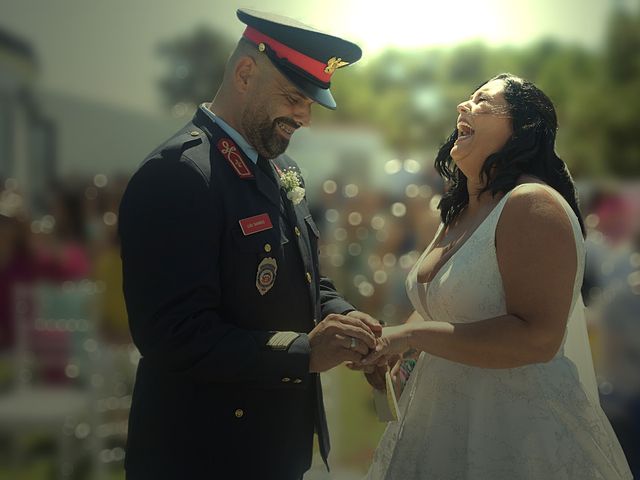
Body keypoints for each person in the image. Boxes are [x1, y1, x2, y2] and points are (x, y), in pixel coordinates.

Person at [118, 9, 381, 480]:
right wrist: (305, 352)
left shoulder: (282, 170)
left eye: (310, 104)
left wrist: (345, 320)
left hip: (272, 450)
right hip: (201, 455)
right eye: (294, 97)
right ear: (244, 73)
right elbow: (172, 335)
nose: (303, 116)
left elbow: (301, 280)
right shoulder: (179, 174)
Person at [356, 73, 633, 479]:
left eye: (482, 101)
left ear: (522, 129)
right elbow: (447, 310)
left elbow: (538, 338)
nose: (462, 107)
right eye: (467, 99)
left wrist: (413, 336)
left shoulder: (533, 204)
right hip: (437, 429)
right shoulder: (459, 210)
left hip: (517, 439)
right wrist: (395, 357)